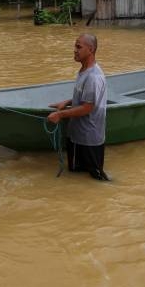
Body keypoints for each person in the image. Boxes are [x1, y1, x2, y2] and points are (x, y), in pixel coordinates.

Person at [47, 33, 110, 181]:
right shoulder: (84, 70)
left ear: (91, 49)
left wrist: (60, 115)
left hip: (89, 138)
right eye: (75, 46)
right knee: (75, 174)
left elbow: (87, 108)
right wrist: (68, 102)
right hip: (76, 135)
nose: (74, 50)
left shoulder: (94, 77)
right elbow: (85, 97)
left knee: (98, 179)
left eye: (78, 47)